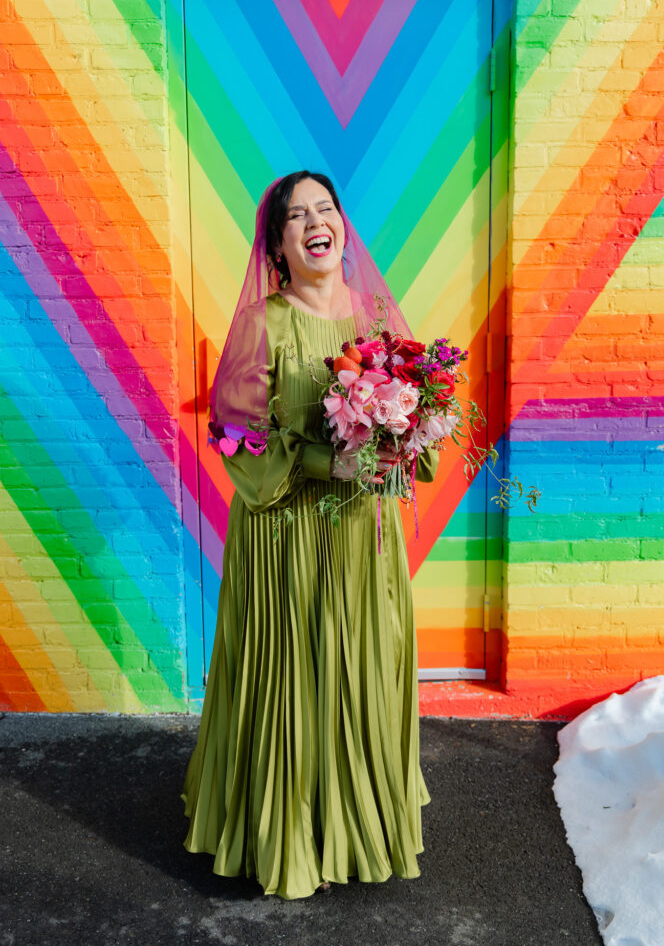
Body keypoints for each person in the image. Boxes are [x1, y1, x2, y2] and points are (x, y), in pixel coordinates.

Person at [181, 171, 439, 900]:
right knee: (293, 671)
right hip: (285, 538)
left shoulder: (378, 319)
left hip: (362, 538)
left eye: (325, 209)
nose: (315, 222)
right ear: (277, 246)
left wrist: (405, 442)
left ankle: (358, 817)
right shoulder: (261, 323)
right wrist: (331, 460)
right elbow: (236, 438)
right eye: (296, 216)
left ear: (342, 227)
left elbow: (417, 419)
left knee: (360, 664)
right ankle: (289, 830)